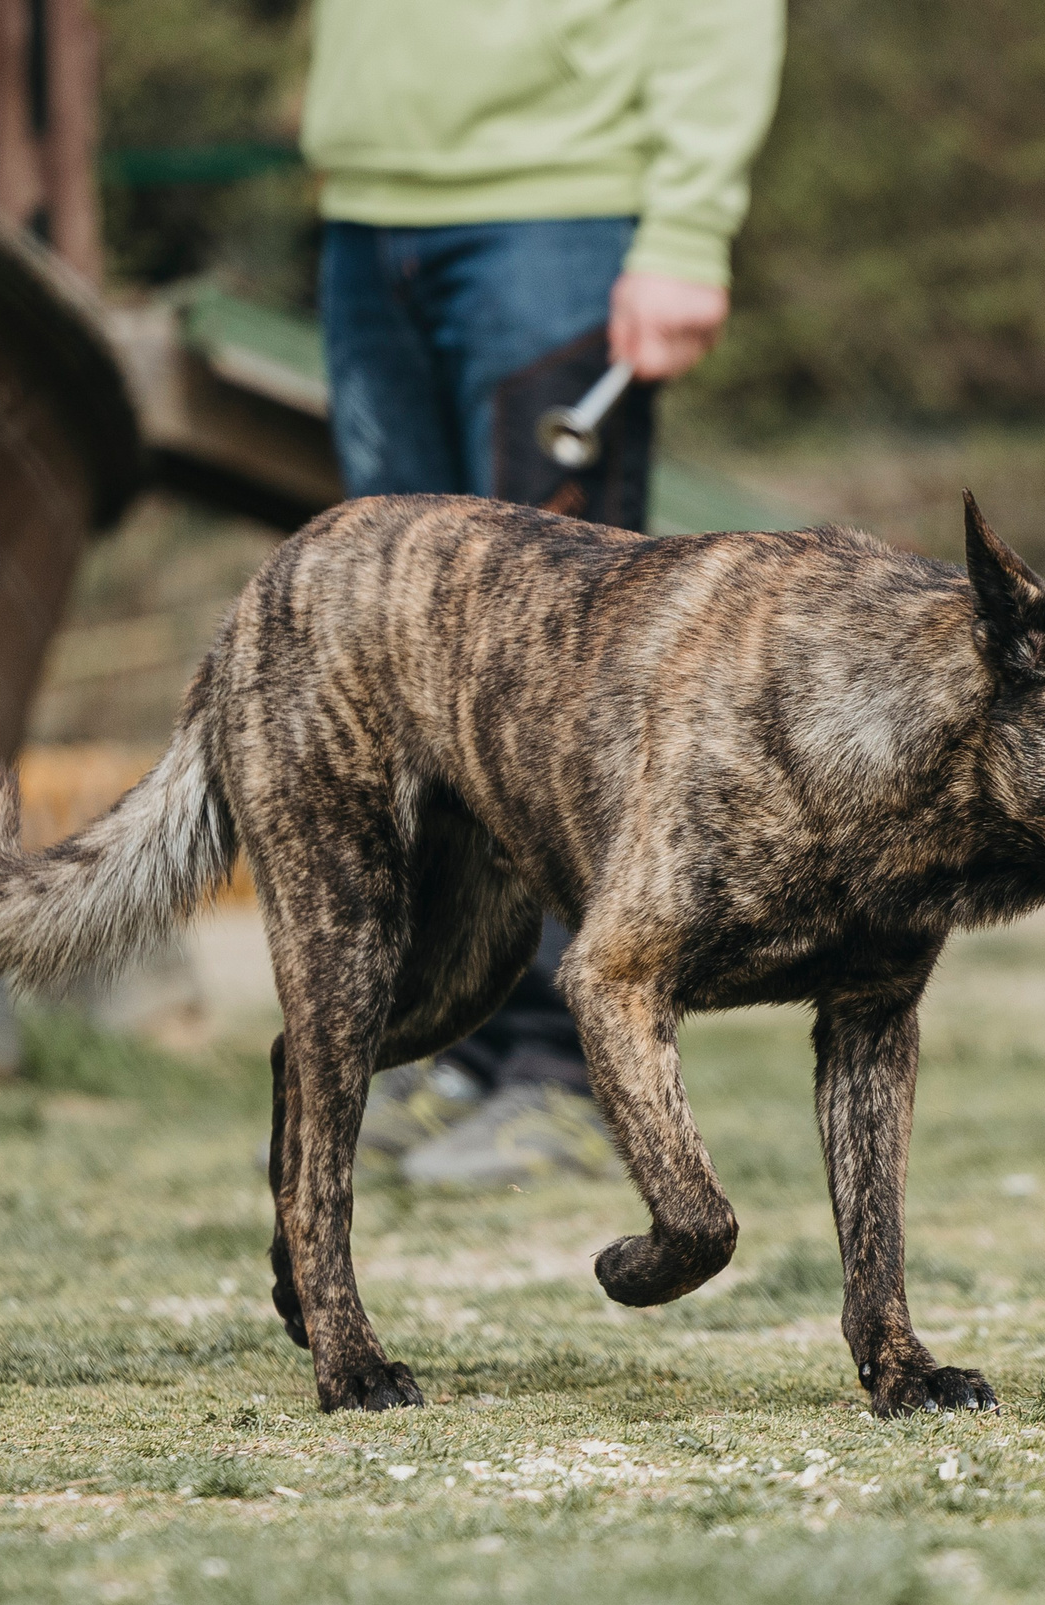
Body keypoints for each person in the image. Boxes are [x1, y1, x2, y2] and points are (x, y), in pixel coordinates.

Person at [299, 0, 785, 1185]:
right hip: (367, 216)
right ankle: (454, 1044)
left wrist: (688, 225)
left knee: (560, 687)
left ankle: (567, 1076)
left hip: (556, 216)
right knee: (410, 674)